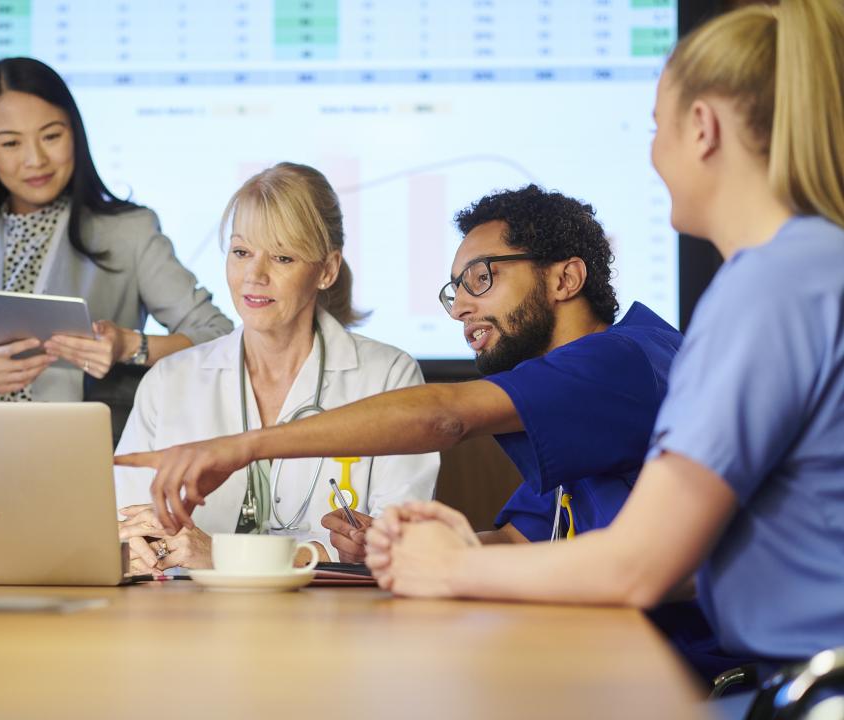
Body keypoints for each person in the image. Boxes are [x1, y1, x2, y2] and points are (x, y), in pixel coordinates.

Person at [361, 0, 844, 675]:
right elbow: (688, 559)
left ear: (702, 129)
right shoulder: (813, 266)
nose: (651, 153)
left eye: (655, 128)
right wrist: (464, 553)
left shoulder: (767, 288)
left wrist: (452, 569)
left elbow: (642, 565)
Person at [115, 181, 683, 563]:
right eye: (455, 289)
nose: (460, 307)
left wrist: (245, 447)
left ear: (564, 279)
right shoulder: (579, 402)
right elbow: (515, 538)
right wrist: (383, 548)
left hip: (679, 669)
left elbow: (446, 418)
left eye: (481, 278)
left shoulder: (626, 360)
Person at [114, 162, 438, 572]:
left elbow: (398, 548)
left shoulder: (389, 376)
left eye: (282, 257)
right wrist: (144, 549)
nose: (254, 275)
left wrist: (220, 556)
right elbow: (122, 527)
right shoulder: (169, 381)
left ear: (327, 270)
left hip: (338, 625)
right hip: (190, 621)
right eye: (241, 252)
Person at [0, 57, 231, 438]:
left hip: (92, 457)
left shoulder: (129, 231)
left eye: (51, 136)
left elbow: (219, 335)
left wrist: (129, 345)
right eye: (11, 143)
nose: (36, 159)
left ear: (75, 135)